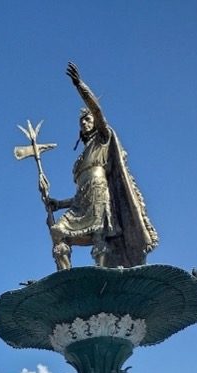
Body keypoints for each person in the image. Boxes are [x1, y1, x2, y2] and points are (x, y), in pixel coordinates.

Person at [44, 62, 158, 271]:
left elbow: (97, 110)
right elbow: (79, 195)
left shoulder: (103, 138)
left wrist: (80, 86)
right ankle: (66, 278)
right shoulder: (81, 159)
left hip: (100, 195)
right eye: (82, 122)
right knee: (57, 231)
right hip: (82, 201)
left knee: (99, 237)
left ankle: (103, 273)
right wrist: (58, 204)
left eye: (87, 120)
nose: (85, 124)